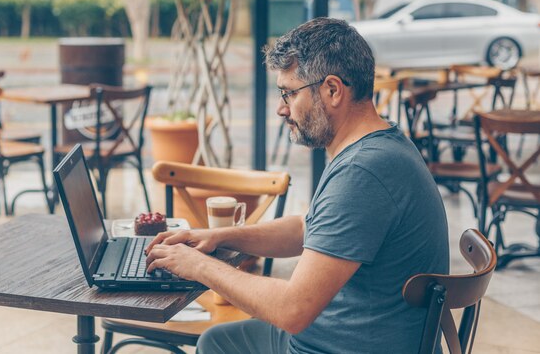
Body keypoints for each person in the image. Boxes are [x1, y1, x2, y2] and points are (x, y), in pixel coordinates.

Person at [145, 18, 449, 353]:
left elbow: (292, 309)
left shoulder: (363, 171)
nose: (281, 108)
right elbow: (310, 228)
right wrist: (221, 236)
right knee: (217, 340)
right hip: (345, 336)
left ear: (332, 90)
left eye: (289, 93)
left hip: (337, 346)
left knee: (218, 343)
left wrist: (200, 266)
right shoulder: (380, 146)